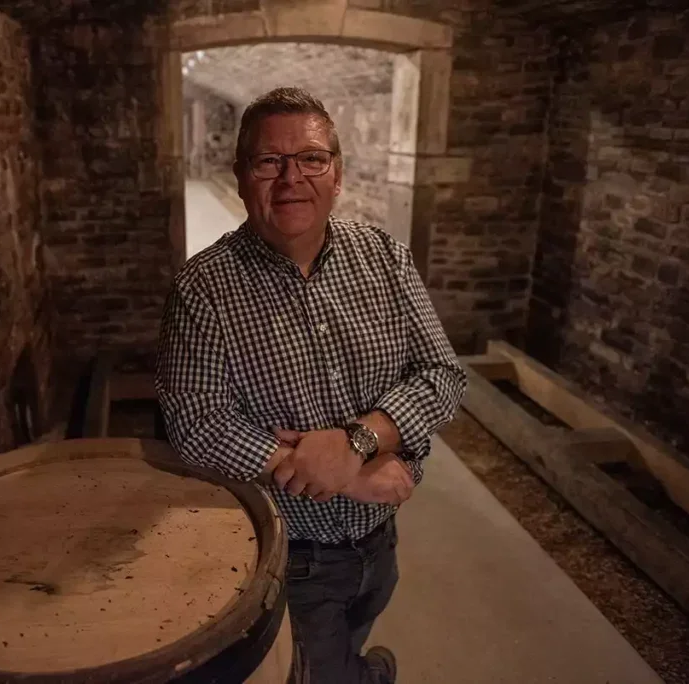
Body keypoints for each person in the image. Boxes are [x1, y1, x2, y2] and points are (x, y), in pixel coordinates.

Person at [155, 86, 466, 683]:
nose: (291, 178)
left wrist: (356, 444)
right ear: (243, 177)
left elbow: (443, 376)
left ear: (337, 173)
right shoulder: (204, 289)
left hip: (380, 535)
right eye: (269, 162)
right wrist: (316, 467)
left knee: (361, 620)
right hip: (290, 556)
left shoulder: (384, 259)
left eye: (311, 159)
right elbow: (196, 423)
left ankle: (359, 667)